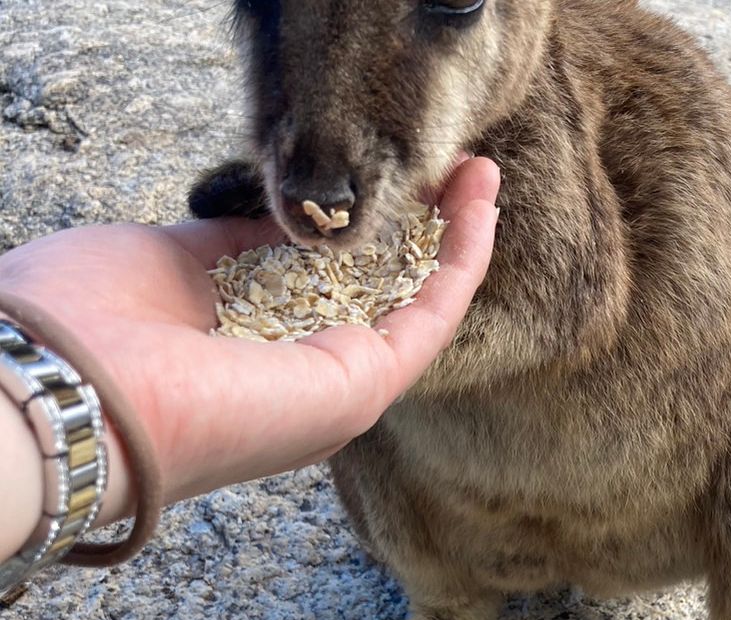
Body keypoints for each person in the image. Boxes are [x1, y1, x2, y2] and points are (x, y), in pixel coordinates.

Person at [0, 156, 500, 579]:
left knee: (371, 390)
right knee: (364, 416)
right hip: (431, 504)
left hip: (545, 473)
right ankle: (442, 604)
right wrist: (54, 352)